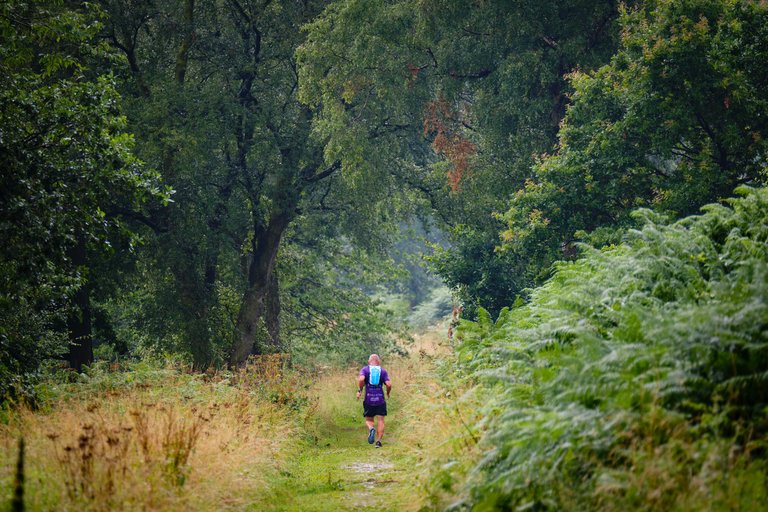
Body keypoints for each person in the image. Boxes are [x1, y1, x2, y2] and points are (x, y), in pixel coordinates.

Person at [356, 353, 392, 448]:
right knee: (381, 420)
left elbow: (361, 379)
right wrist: (388, 393)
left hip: (368, 399)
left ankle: (371, 428)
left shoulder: (365, 369)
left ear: (369, 361)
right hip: (380, 399)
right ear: (378, 362)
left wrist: (360, 390)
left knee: (369, 419)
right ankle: (378, 442)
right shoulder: (383, 371)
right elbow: (388, 384)